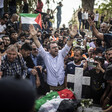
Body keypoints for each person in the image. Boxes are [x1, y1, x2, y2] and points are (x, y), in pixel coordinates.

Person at [29, 24, 77, 91]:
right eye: (53, 48)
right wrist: (34, 36)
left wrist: (72, 37)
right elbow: (39, 46)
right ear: (49, 50)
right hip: (51, 86)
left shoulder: (61, 53)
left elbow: (68, 45)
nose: (56, 49)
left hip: (62, 84)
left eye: (57, 47)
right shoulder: (46, 56)